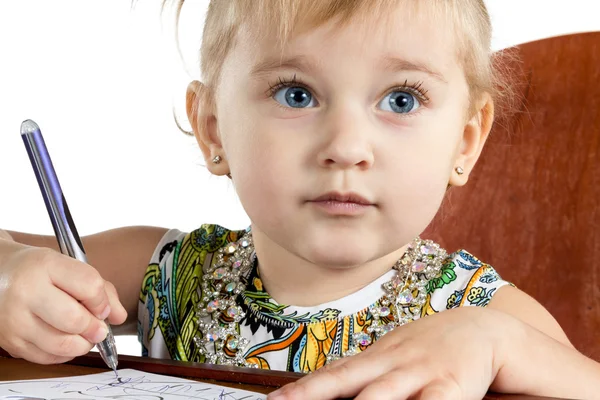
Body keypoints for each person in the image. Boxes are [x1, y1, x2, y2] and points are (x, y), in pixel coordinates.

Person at [1, 0, 599, 398]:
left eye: (401, 100)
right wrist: (7, 276)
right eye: (295, 94)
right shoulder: (173, 273)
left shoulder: (479, 316)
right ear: (213, 127)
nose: (346, 147)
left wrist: (500, 344)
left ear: (465, 142)